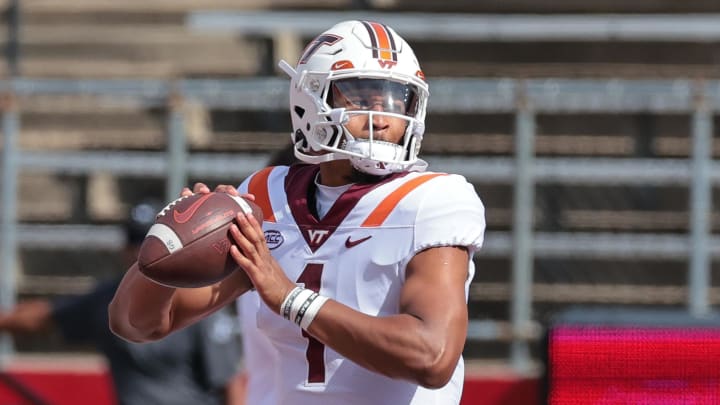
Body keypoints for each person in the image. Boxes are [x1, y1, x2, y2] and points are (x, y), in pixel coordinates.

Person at [109, 20, 486, 405]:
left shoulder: (435, 199)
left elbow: (432, 356)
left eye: (395, 99)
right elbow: (136, 324)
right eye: (361, 97)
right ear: (311, 98)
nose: (384, 117)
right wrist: (170, 246)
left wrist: (291, 298)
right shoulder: (266, 196)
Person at [0, 201, 245, 405]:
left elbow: (229, 380)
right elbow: (45, 317)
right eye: (134, 243)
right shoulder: (108, 298)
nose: (139, 252)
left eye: (147, 241)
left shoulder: (199, 297)